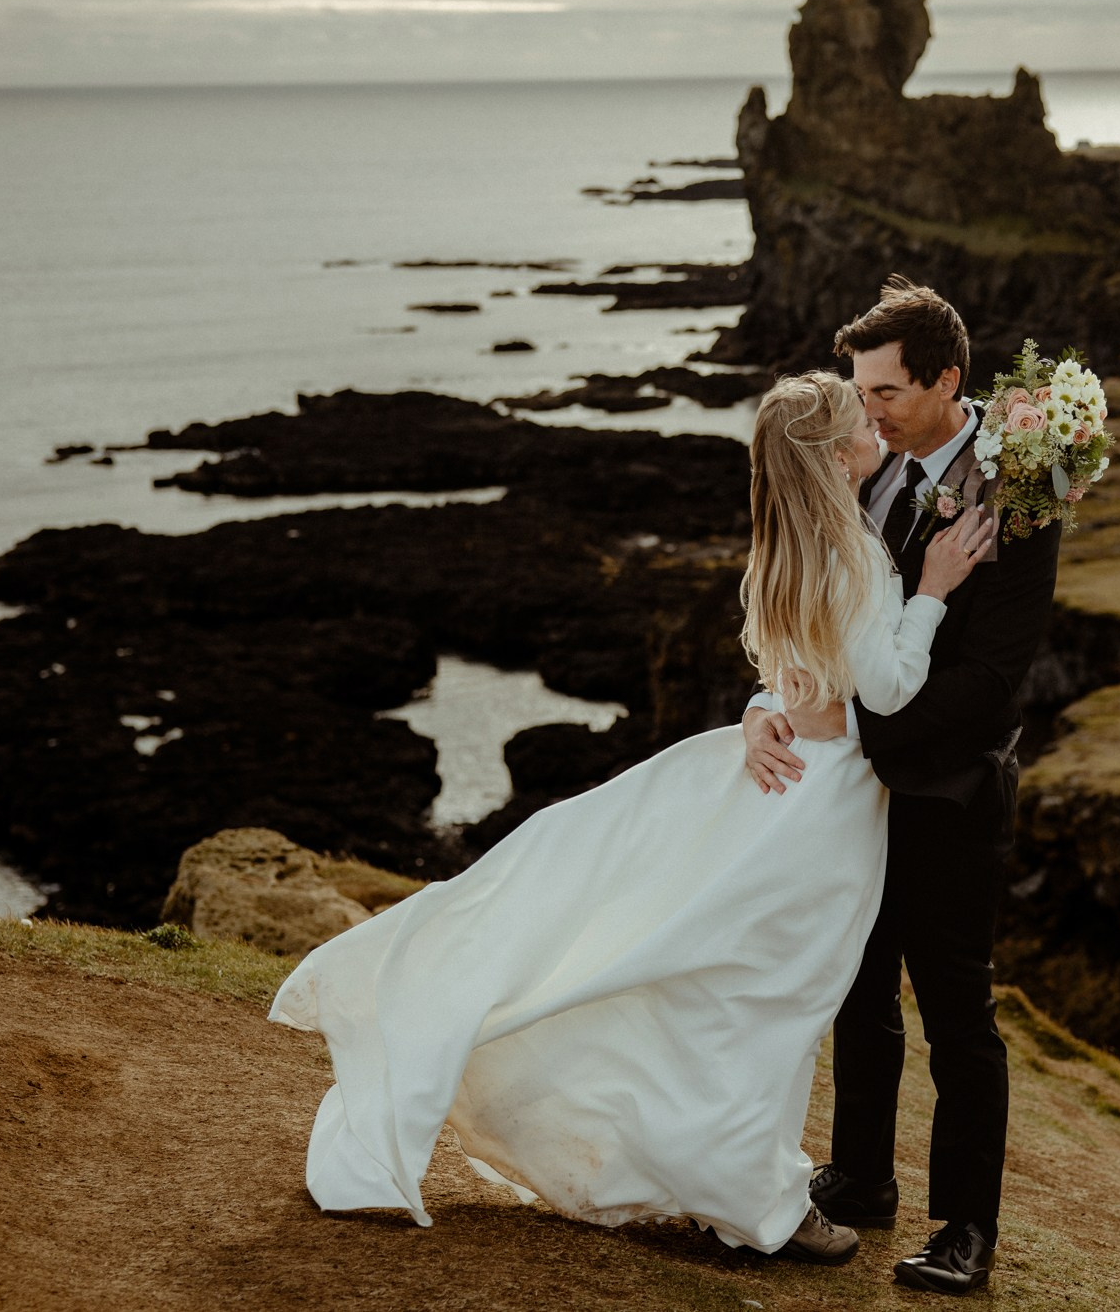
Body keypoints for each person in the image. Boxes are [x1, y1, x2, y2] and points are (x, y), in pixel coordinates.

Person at [268, 370, 996, 1263]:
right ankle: (755, 1201)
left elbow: (795, 670)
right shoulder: (848, 552)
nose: (871, 419)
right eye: (858, 415)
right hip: (821, 807)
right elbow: (887, 688)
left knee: (728, 993)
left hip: (780, 782)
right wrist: (931, 589)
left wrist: (763, 705)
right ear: (840, 452)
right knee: (773, 1002)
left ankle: (732, 1178)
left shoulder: (790, 548)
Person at [744, 277, 1063, 1296]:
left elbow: (993, 678)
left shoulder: (1020, 482)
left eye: (883, 392)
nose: (864, 410)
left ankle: (966, 1227)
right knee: (858, 989)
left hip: (950, 789)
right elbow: (822, 620)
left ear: (946, 382)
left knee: (957, 1016)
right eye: (858, 390)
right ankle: (862, 1176)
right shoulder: (859, 471)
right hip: (857, 789)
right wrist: (777, 705)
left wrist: (867, 729)